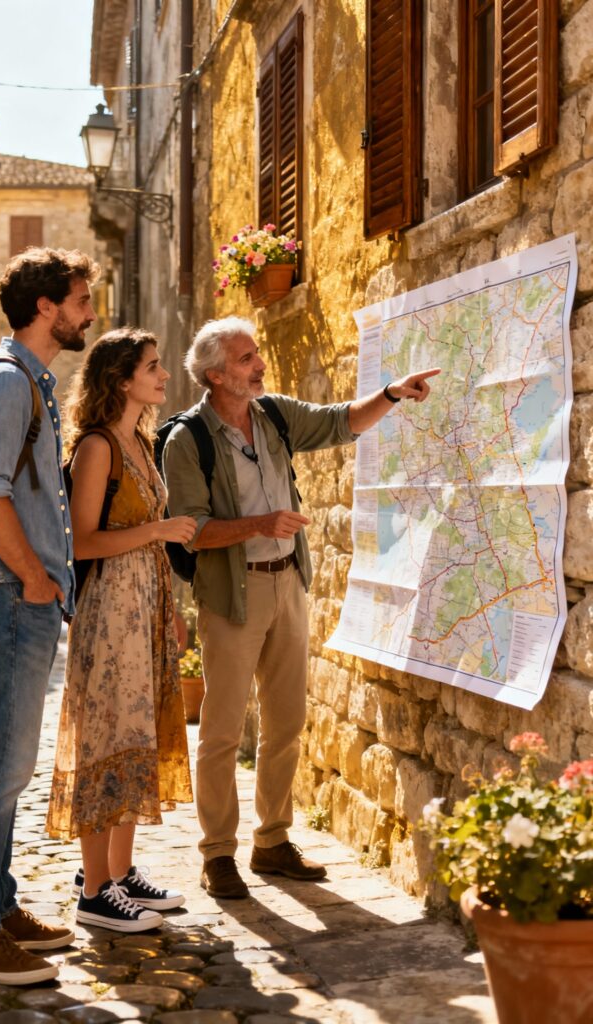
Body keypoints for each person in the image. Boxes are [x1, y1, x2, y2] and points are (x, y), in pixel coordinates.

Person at [162, 316, 439, 899]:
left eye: (256, 353)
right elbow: (190, 530)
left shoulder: (276, 415)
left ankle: (273, 841)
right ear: (215, 375)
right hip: (232, 594)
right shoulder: (187, 440)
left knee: (285, 721)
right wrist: (261, 524)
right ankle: (217, 853)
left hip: (287, 582)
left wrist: (391, 393)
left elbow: (342, 422)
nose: (258, 363)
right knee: (221, 728)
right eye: (245, 359)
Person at [0, 247, 99, 984]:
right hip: (8, 597)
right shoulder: (8, 385)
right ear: (46, 308)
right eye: (80, 297)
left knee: (3, 761)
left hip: (19, 598)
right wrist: (36, 578)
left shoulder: (28, 382)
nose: (88, 310)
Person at [45, 327, 195, 933]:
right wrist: (157, 533)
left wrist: (171, 613)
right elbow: (80, 540)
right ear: (121, 378)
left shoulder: (140, 437)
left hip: (146, 606)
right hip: (109, 612)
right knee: (107, 737)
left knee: (137, 732)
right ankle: (95, 890)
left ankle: (119, 870)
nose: (163, 376)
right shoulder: (98, 446)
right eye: (153, 367)